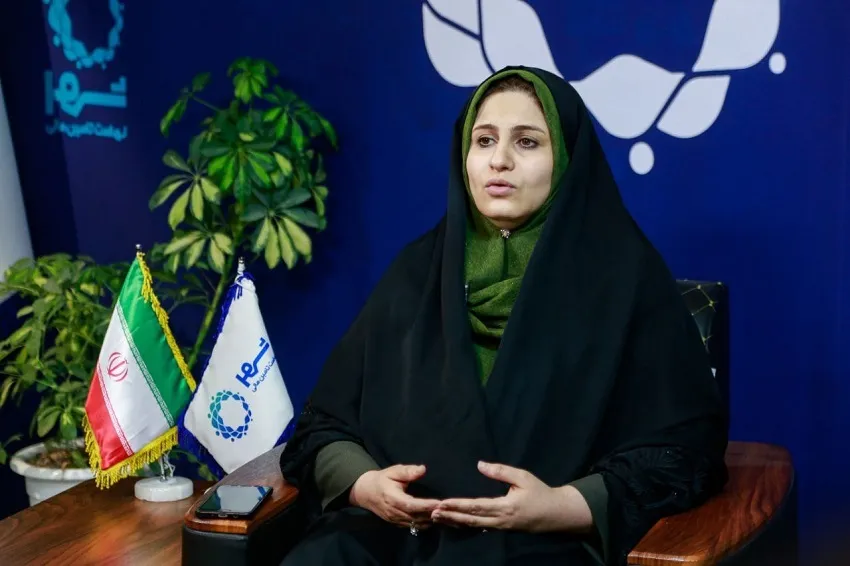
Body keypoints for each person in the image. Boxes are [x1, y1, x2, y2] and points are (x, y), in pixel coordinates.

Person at [278, 66, 729, 565]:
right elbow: (325, 425)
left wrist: (563, 506)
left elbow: (684, 449)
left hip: (546, 544)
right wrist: (365, 485)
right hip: (397, 534)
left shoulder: (627, 280)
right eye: (484, 140)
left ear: (568, 158)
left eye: (528, 142)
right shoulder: (415, 272)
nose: (499, 160)